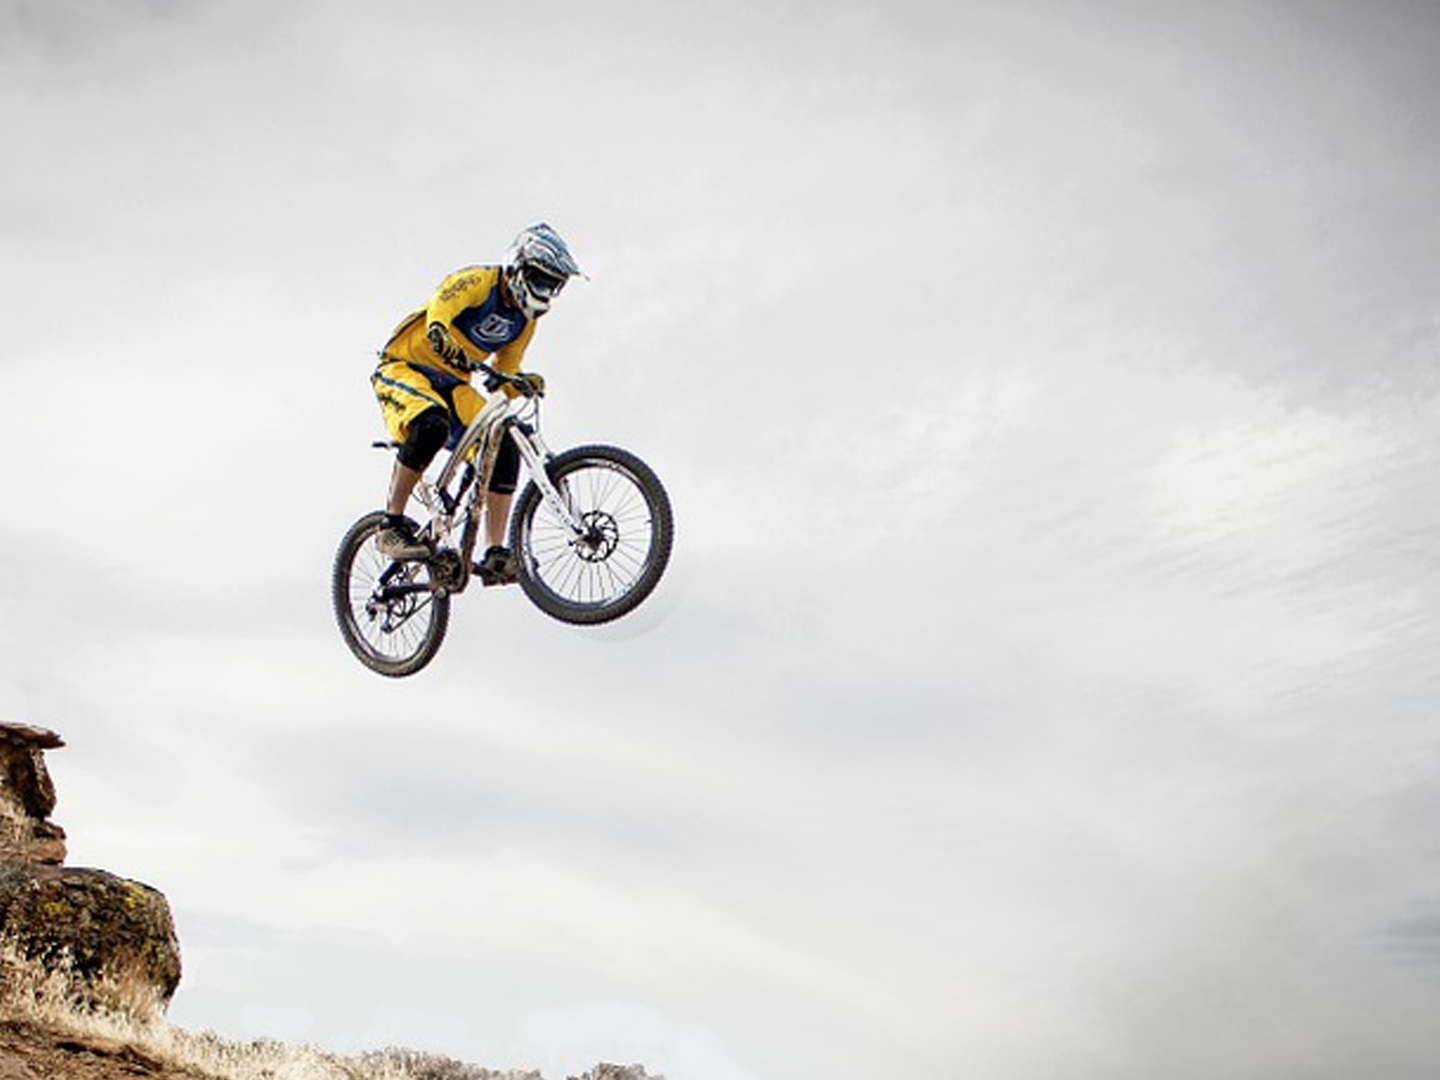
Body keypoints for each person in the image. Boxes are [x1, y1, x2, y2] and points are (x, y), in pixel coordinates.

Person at [369, 223, 582, 579]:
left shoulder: (524, 322)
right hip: (406, 367)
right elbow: (441, 306)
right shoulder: (479, 282)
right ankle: (390, 524)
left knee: (506, 441)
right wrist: (438, 334)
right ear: (518, 268)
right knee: (431, 423)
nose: (544, 291)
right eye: (540, 280)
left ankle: (496, 551)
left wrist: (521, 383)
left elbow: (506, 371)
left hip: (454, 383)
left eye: (552, 285)